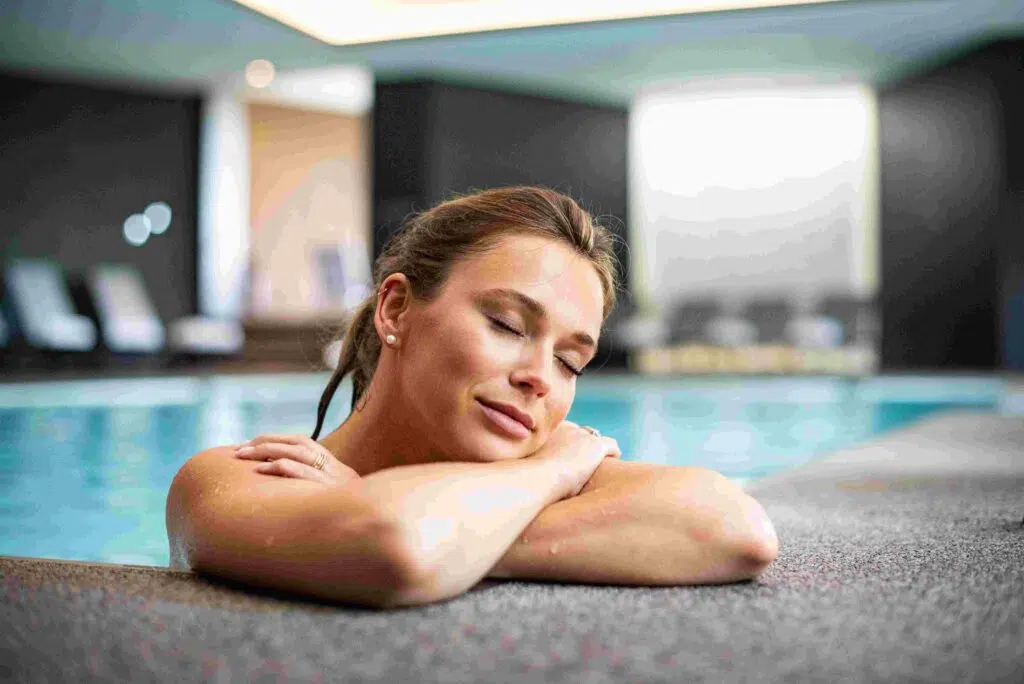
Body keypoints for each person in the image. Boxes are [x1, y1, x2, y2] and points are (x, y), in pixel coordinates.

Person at [166, 186, 778, 608]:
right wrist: (555, 469)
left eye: (571, 361)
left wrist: (446, 527)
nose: (541, 375)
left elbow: (737, 528)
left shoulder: (535, 476)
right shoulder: (243, 476)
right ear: (397, 308)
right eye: (509, 326)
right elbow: (395, 547)